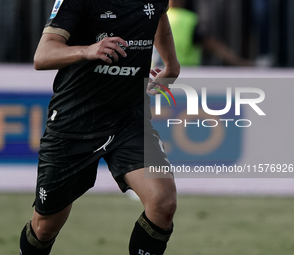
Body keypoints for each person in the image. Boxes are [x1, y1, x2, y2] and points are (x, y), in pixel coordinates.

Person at [19, 1, 180, 255]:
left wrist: (171, 65)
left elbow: (158, 15)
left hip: (130, 120)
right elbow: (42, 56)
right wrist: (87, 50)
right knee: (44, 228)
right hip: (74, 124)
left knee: (163, 202)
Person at [162, 0, 253, 66]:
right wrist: (238, 62)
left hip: (159, 73)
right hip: (187, 73)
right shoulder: (189, 20)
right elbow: (212, 45)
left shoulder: (159, 18)